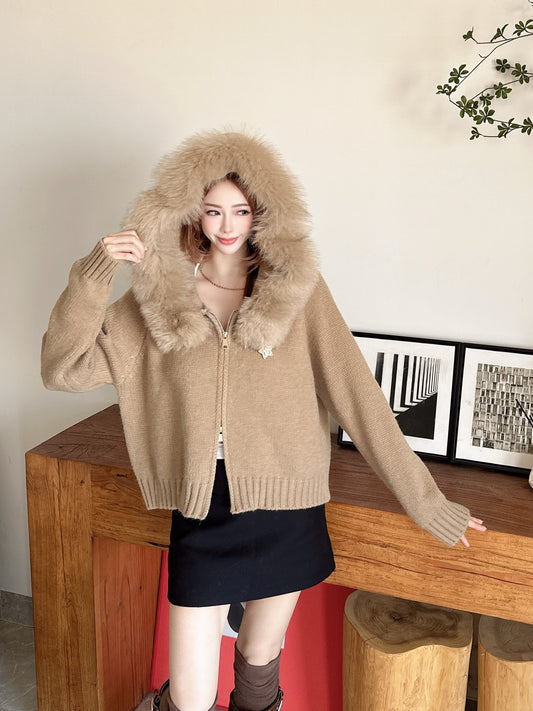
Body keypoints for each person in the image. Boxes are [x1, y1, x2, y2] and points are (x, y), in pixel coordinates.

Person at [41, 130, 486, 711]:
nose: (227, 225)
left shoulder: (298, 291)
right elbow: (64, 370)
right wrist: (94, 273)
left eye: (241, 210)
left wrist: (426, 501)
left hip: (287, 504)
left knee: (257, 662)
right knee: (190, 698)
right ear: (191, 213)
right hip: (203, 502)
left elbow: (357, 394)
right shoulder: (157, 298)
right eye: (213, 210)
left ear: (264, 213)